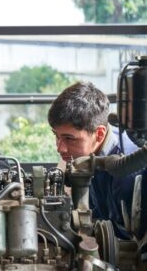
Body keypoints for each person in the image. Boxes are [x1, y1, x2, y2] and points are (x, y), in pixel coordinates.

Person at [48, 81, 139, 238]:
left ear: (99, 134)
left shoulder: (129, 170)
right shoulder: (84, 152)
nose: (60, 148)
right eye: (56, 136)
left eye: (69, 138)